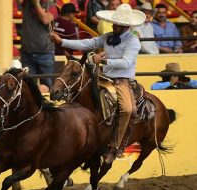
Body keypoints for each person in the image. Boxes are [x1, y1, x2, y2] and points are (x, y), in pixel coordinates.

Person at [51, 3, 146, 164]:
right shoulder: (108, 36)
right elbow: (87, 43)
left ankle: (115, 147)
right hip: (103, 77)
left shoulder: (133, 41)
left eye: (118, 24)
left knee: (128, 109)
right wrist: (62, 42)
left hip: (121, 81)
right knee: (78, 91)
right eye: (115, 22)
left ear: (125, 26)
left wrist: (103, 59)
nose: (114, 25)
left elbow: (127, 62)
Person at [18, 0, 56, 91]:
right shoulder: (26, 3)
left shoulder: (51, 5)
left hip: (45, 53)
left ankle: (47, 105)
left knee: (48, 86)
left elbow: (45, 20)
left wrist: (36, 3)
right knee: (28, 87)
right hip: (27, 53)